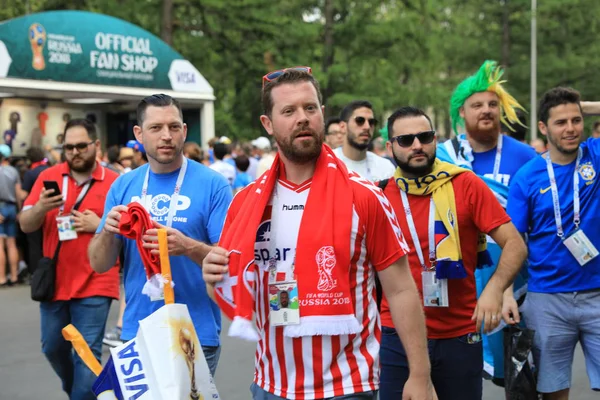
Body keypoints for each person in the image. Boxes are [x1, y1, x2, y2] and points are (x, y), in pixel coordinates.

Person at [202, 68, 433, 400]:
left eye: (310, 108)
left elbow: (400, 291)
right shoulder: (245, 203)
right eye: (289, 111)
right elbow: (235, 290)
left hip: (348, 385)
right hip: (270, 385)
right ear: (267, 124)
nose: (302, 118)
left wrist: (420, 375)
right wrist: (212, 279)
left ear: (322, 115)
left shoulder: (365, 196)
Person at [378, 106, 527, 400]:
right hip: (398, 337)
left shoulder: (466, 184)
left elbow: (515, 244)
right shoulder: (380, 195)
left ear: (436, 139)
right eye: (406, 140)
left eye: (425, 136)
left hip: (460, 335)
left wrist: (495, 290)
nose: (417, 145)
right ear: (390, 147)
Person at [88, 94, 232, 377]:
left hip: (194, 331)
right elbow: (98, 264)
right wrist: (108, 231)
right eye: (156, 128)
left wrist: (187, 246)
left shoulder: (213, 184)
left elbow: (229, 260)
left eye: (174, 127)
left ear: (184, 130)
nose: (167, 136)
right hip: (137, 330)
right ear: (139, 134)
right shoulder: (123, 185)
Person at [436, 60, 537, 382]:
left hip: (515, 278)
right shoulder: (442, 157)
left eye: (493, 104)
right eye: (477, 104)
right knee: (458, 374)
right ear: (461, 113)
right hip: (457, 278)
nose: (487, 110)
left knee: (519, 376)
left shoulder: (525, 156)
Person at [507, 87, 600, 400]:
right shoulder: (527, 176)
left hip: (598, 294)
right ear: (543, 128)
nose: (571, 128)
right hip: (547, 299)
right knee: (553, 391)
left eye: (576, 120)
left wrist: (583, 105)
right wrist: (506, 291)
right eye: (561, 122)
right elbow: (513, 239)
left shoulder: (596, 156)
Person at [20, 119, 120, 400]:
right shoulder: (46, 177)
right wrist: (41, 207)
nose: (75, 152)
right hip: (55, 282)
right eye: (68, 147)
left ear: (96, 145)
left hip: (97, 280)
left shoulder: (114, 181)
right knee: (52, 347)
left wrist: (99, 224)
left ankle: (81, 392)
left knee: (86, 354)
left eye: (81, 146)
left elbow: (127, 231)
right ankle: (76, 390)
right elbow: (26, 223)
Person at [333, 100, 396, 181]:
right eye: (360, 120)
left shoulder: (385, 168)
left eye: (371, 122)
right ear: (343, 127)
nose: (367, 127)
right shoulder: (327, 163)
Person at [0, 144, 24, 286]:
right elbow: (18, 193)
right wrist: (20, 210)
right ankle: (14, 277)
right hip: (12, 208)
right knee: (12, 243)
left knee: (0, 245)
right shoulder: (13, 171)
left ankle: (2, 278)